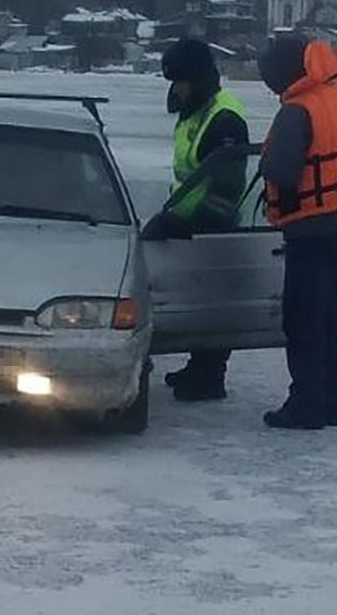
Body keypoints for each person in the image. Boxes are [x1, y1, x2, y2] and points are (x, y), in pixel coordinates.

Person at [258, 36, 337, 430]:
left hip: (310, 230)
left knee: (304, 319)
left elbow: (281, 172)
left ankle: (306, 404)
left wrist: (266, 159)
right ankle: (332, 403)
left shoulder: (296, 111)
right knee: (332, 315)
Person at [143, 38, 250, 402]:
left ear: (198, 79)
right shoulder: (195, 112)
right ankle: (199, 365)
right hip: (188, 220)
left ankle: (210, 375)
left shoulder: (223, 118)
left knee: (212, 301)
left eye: (181, 81)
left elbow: (227, 185)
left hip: (213, 225)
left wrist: (193, 225)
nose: (176, 89)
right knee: (196, 295)